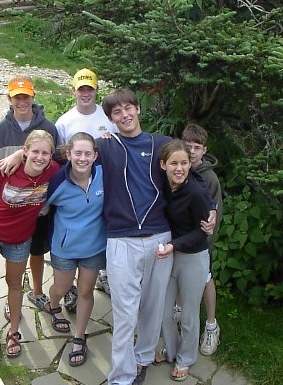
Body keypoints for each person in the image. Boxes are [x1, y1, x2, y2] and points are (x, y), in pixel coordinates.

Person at [96, 89, 216, 385]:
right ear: (110, 119)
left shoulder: (160, 143)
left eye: (128, 108)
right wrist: (23, 153)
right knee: (125, 313)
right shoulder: (105, 145)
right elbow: (70, 155)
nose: (124, 115)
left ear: (138, 109)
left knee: (152, 308)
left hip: (159, 238)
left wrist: (210, 207)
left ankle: (143, 358)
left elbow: (191, 170)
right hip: (120, 239)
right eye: (116, 112)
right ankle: (121, 377)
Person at [0, 130, 60, 358]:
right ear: (25, 151)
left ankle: (13, 332)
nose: (40, 157)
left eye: (45, 153)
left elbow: (77, 154)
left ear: (51, 156)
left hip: (19, 239)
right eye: (35, 151)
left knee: (15, 284)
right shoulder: (5, 169)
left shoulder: (53, 171)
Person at [0, 75, 59, 318]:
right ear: (9, 99)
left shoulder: (49, 128)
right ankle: (11, 298)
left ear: (33, 97)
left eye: (26, 96)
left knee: (37, 251)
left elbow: (54, 162)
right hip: (8, 210)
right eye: (17, 97)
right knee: (12, 257)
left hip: (37, 208)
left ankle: (37, 291)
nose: (22, 101)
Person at [43, 132, 107, 367]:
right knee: (61, 287)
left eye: (87, 153)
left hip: (94, 247)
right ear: (68, 154)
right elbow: (40, 210)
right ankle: (53, 305)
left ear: (95, 156)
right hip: (65, 247)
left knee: (85, 292)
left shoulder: (104, 175)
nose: (82, 158)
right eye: (77, 153)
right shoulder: (58, 182)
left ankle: (79, 336)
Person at [55, 68, 117, 310]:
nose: (86, 93)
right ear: (74, 91)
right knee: (74, 228)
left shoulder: (107, 117)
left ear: (96, 90)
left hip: (104, 183)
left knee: (102, 228)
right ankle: (69, 286)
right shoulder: (64, 121)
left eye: (90, 89)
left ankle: (103, 275)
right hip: (75, 186)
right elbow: (60, 156)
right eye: (81, 89)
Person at [155, 139, 211, 381]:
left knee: (188, 314)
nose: (179, 168)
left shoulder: (196, 192)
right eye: (174, 163)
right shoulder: (164, 185)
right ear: (163, 164)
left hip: (192, 258)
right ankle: (172, 350)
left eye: (184, 163)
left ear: (191, 165)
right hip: (169, 257)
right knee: (164, 311)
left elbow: (203, 231)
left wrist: (173, 245)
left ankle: (185, 358)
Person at [182, 124, 224, 356]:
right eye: (187, 146)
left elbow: (213, 214)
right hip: (179, 238)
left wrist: (205, 238)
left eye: (197, 148)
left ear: (204, 150)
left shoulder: (209, 178)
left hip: (200, 243)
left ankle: (211, 325)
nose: (192, 152)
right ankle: (179, 311)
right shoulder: (178, 168)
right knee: (177, 278)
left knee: (205, 280)